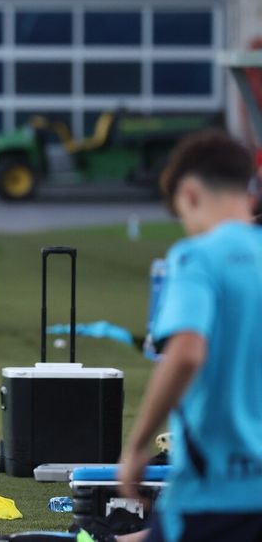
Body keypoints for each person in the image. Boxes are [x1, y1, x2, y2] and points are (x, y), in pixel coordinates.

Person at [116, 130, 262, 541]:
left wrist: (138, 444)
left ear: (191, 193)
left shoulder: (196, 257)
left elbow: (186, 354)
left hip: (214, 493)